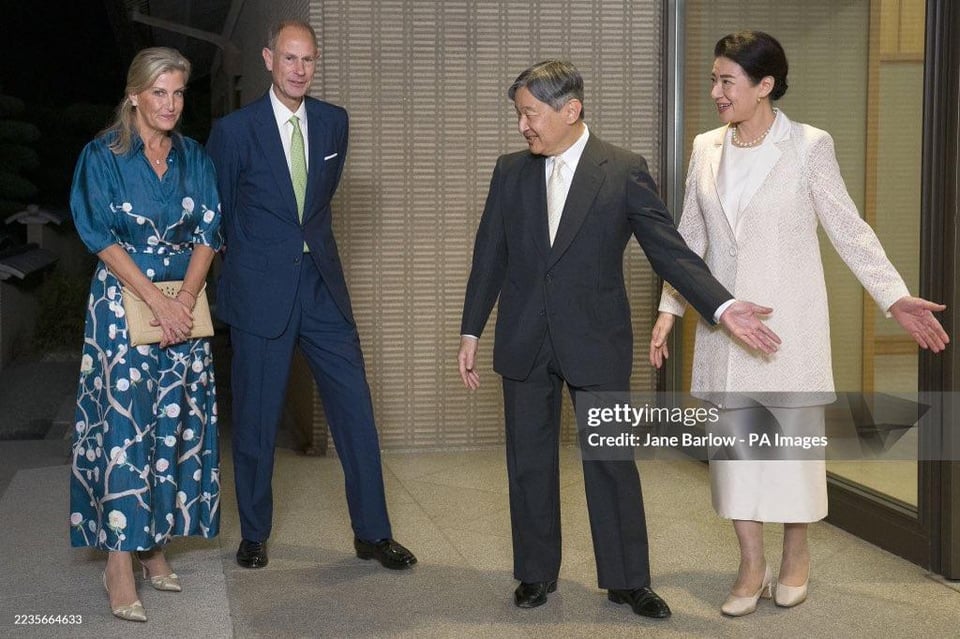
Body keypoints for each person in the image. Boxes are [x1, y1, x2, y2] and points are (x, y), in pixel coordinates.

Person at [458, 59, 783, 619]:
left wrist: (722, 305)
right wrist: (471, 329)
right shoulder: (510, 171)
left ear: (570, 110)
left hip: (595, 341)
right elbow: (490, 253)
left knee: (610, 462)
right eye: (519, 115)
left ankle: (629, 580)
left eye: (530, 114)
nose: (522, 127)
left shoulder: (623, 169)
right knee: (528, 461)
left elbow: (669, 250)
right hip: (524, 340)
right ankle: (535, 573)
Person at [650, 30, 949, 617]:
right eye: (713, 79)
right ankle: (750, 562)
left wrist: (895, 298)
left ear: (764, 86)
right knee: (735, 453)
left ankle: (795, 553)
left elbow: (848, 229)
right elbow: (688, 241)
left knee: (788, 451)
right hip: (726, 328)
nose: (715, 91)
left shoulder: (809, 146)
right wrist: (670, 309)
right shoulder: (707, 148)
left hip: (790, 330)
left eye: (726, 81)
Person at [205, 19, 416, 572]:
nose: (299, 70)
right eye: (290, 59)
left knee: (356, 413)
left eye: (309, 60)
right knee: (254, 420)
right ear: (269, 58)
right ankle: (254, 534)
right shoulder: (234, 131)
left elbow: (315, 211)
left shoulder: (333, 124)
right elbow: (218, 215)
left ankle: (372, 534)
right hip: (259, 296)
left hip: (323, 289)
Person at [69, 47, 222, 622]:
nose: (170, 104)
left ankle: (154, 545)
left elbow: (210, 229)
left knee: (174, 426)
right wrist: (157, 298)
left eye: (179, 92)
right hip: (123, 306)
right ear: (134, 95)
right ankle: (117, 562)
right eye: (159, 92)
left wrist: (182, 299)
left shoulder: (194, 156)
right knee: (125, 433)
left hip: (183, 311)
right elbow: (100, 236)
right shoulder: (102, 156)